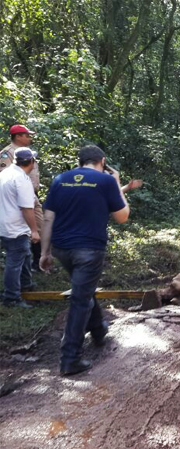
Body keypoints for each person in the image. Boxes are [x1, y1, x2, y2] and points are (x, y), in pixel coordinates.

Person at [40, 145, 130, 376]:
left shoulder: (60, 179)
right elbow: (122, 217)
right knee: (80, 300)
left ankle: (98, 330)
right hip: (89, 250)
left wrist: (44, 252)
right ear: (103, 160)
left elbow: (48, 218)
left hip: (62, 249)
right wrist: (118, 182)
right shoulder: (106, 181)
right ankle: (70, 359)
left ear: (80, 162)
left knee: (83, 290)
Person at [0, 148, 39, 308]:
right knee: (15, 261)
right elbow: (26, 208)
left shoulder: (5, 173)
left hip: (5, 223)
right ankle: (11, 297)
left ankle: (26, 284)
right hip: (15, 227)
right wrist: (34, 230)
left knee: (25, 254)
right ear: (31, 162)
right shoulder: (22, 179)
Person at [0, 124, 43, 269]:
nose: (30, 138)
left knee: (39, 226)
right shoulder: (7, 153)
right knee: (23, 230)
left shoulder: (27, 152)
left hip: (31, 194)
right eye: (27, 135)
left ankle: (38, 262)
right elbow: (8, 178)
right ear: (18, 136)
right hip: (18, 196)